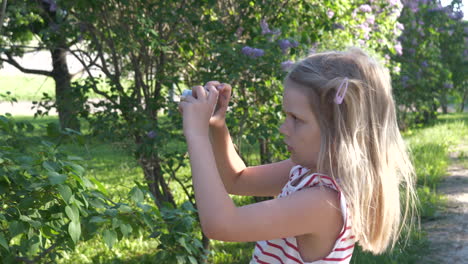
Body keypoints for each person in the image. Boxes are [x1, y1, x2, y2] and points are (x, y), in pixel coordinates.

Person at [178, 47, 417, 263]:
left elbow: (221, 225)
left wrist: (196, 134)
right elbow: (236, 179)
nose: (284, 127)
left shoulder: (325, 203)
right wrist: (217, 126)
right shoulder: (306, 171)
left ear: (339, 131)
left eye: (296, 119)